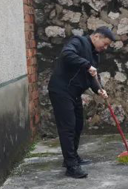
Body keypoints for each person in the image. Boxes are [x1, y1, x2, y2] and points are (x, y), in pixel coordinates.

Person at [48, 27, 113, 179]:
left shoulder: (95, 55)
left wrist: (99, 89)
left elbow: (92, 77)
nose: (105, 47)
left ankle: (72, 157)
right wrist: (86, 64)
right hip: (61, 91)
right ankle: (71, 166)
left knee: (78, 125)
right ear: (96, 36)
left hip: (74, 93)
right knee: (68, 127)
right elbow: (66, 55)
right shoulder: (78, 42)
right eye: (105, 43)